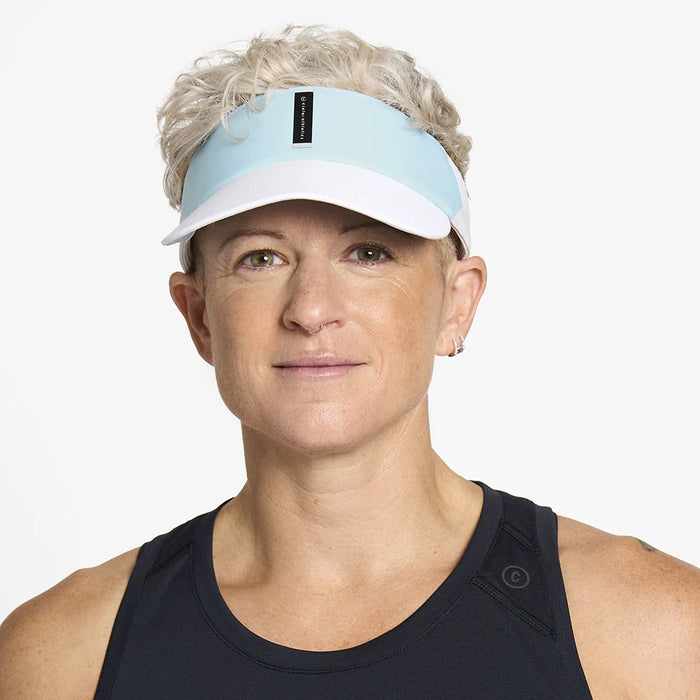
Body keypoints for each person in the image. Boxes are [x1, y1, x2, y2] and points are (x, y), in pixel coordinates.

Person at [1, 25, 698, 699]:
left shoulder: (651, 632)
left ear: (456, 304)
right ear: (200, 315)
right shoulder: (62, 658)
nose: (311, 309)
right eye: (261, 257)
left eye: (369, 252)